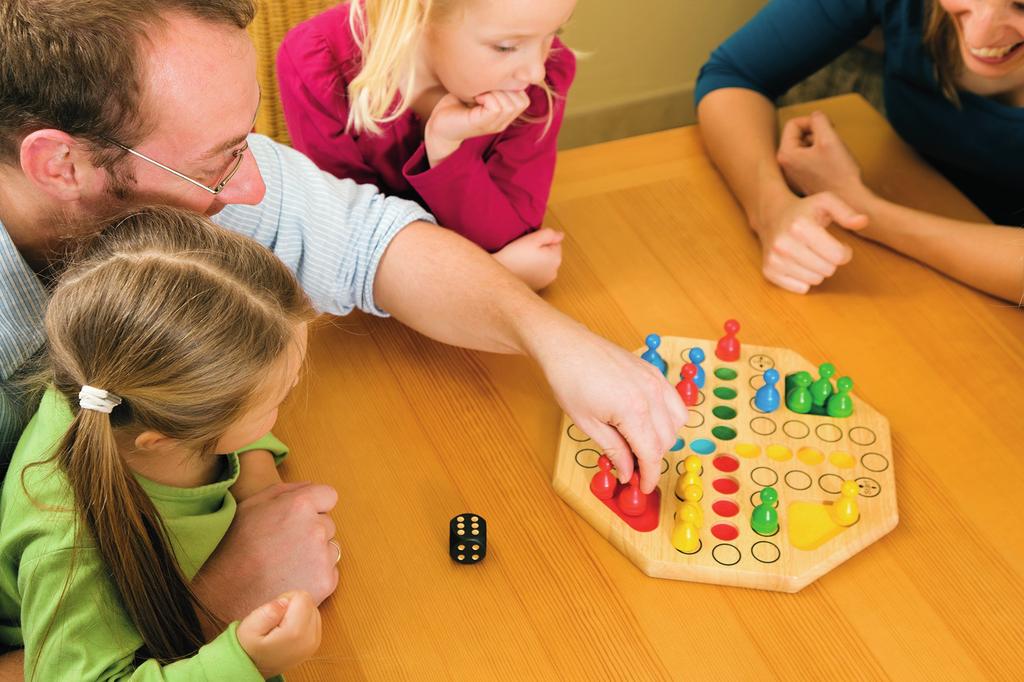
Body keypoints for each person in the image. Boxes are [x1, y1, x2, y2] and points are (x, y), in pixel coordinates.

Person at [0, 3, 687, 673]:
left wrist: (553, 339)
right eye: (220, 160)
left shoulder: (171, 186)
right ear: (60, 165)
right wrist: (205, 609)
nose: (255, 185)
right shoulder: (59, 527)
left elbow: (369, 242)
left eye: (248, 138)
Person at [1, 207, 323, 680]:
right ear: (170, 434)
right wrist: (243, 661)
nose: (294, 391)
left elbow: (227, 416)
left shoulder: (110, 388)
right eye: (279, 395)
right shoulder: (69, 555)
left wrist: (256, 480)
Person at [696, 0, 1024, 303]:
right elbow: (735, 74)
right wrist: (770, 209)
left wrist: (865, 210)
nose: (980, 31)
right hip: (927, 208)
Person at [278, 0, 576, 290]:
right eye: (506, 47)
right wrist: (496, 274)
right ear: (421, 9)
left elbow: (511, 237)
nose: (535, 71)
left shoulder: (542, 79)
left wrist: (446, 150)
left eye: (554, 33)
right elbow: (353, 253)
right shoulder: (319, 64)